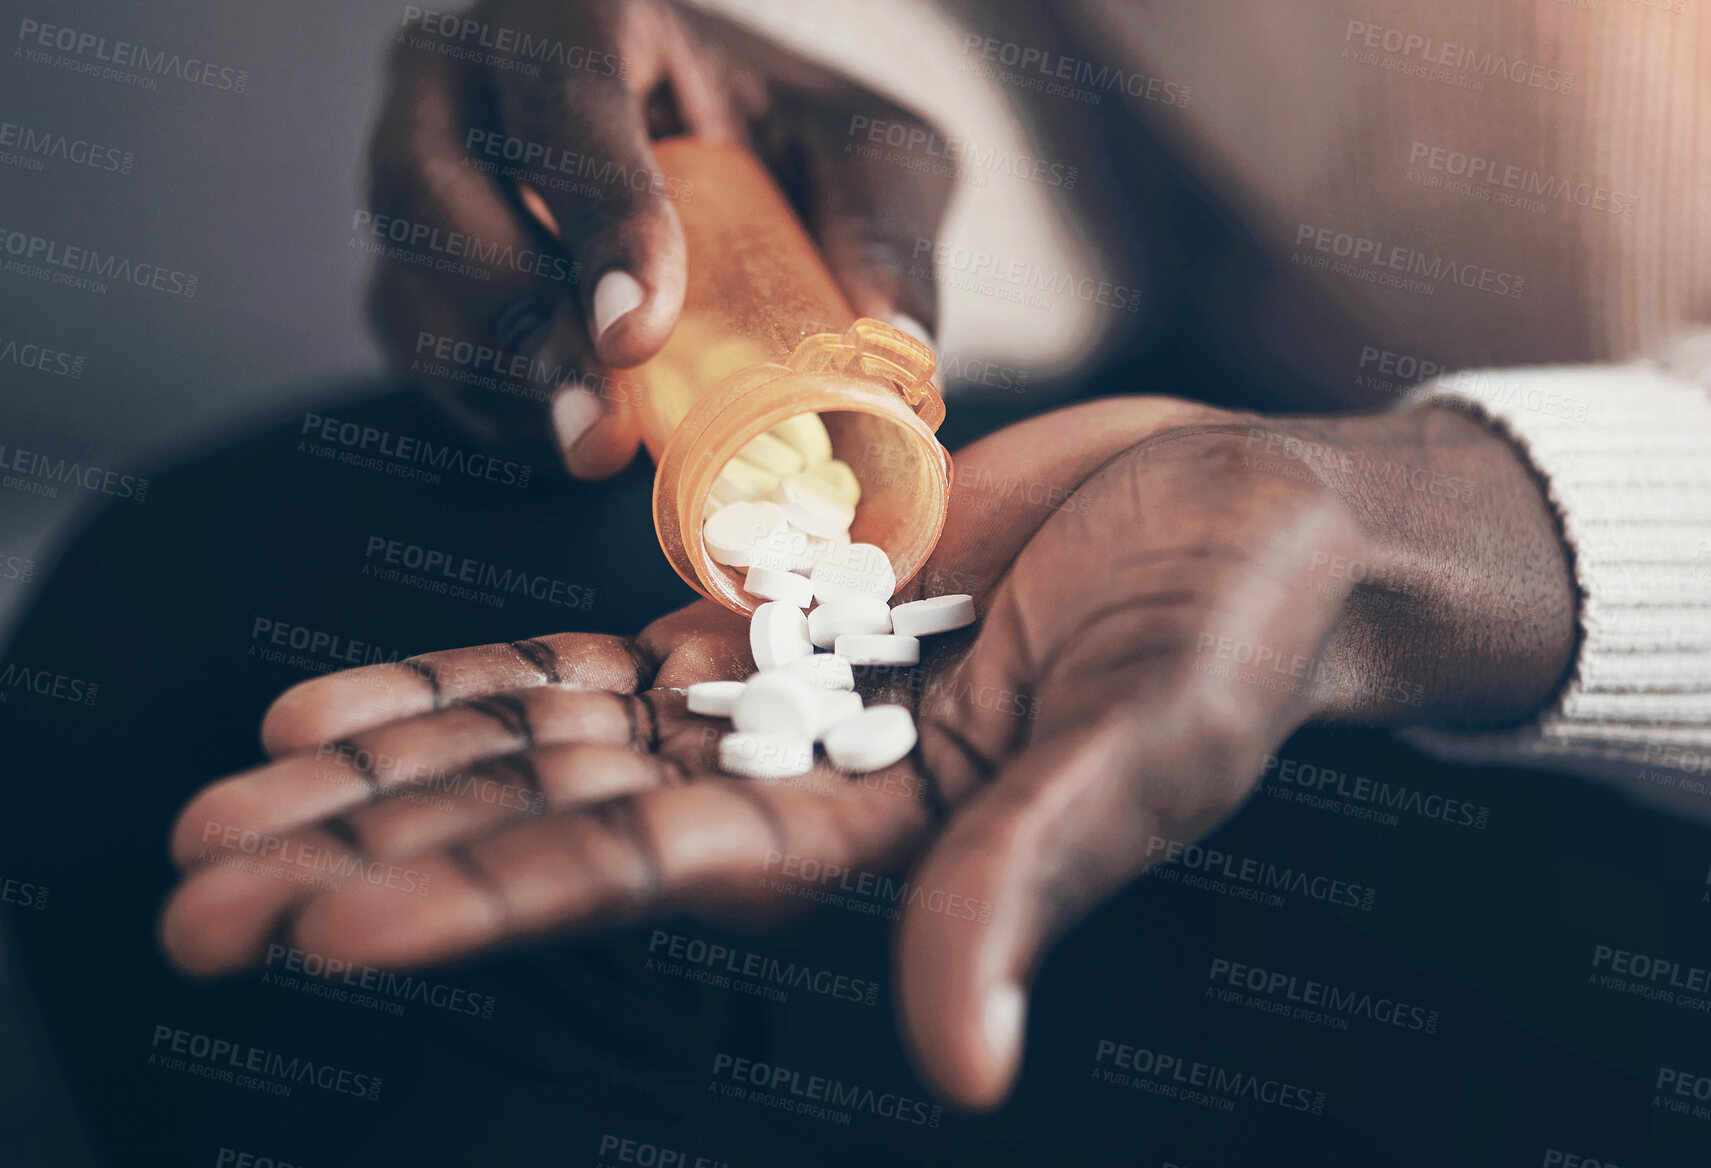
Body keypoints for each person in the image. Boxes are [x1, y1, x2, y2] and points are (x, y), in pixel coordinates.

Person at [8, 1, 1709, 1162]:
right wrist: (774, 130)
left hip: (1621, 667)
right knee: (198, 623)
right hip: (1238, 398)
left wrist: (1478, 531)